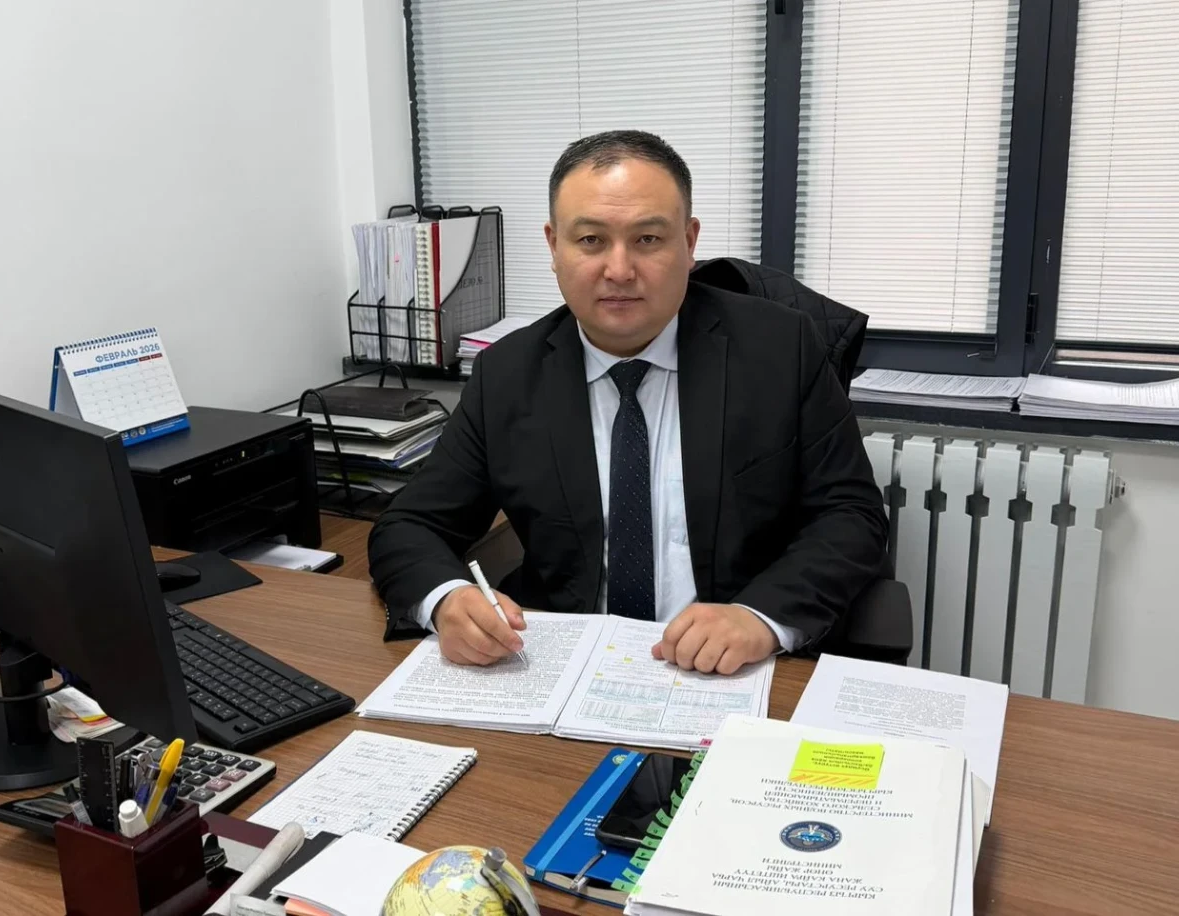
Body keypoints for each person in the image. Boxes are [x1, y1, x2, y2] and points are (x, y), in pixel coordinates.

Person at [369, 129, 887, 675]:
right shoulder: (507, 374)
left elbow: (851, 516)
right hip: (563, 669)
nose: (619, 270)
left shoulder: (781, 349)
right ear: (554, 246)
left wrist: (759, 617)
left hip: (732, 671)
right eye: (591, 240)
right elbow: (409, 525)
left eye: (648, 239)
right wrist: (446, 599)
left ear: (689, 242)